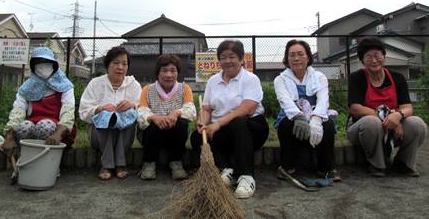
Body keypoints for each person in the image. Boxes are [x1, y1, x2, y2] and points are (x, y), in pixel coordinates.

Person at [190, 40, 269, 199]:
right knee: (196, 136)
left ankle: (247, 176)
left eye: (232, 56)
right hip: (224, 131)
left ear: (241, 59)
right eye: (223, 57)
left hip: (251, 129)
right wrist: (203, 122)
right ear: (219, 60)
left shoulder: (250, 79)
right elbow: (207, 109)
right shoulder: (213, 81)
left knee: (238, 121)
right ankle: (226, 169)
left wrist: (217, 123)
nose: (227, 61)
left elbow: (247, 108)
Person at [347, 37, 427, 177]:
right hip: (363, 131)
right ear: (362, 61)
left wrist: (398, 116)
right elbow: (355, 108)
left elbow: (407, 107)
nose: (373, 60)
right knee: (371, 122)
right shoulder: (357, 77)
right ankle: (377, 164)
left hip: (393, 129)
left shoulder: (397, 78)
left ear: (384, 57)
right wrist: (387, 118)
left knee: (417, 124)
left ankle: (404, 163)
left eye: (377, 55)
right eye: (368, 57)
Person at [274, 39, 340, 184]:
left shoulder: (319, 77)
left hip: (316, 114)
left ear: (308, 57)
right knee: (286, 125)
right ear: (287, 59)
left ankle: (326, 168)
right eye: (292, 55)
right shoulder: (280, 79)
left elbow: (323, 101)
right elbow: (285, 102)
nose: (296, 58)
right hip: (292, 116)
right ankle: (287, 166)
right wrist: (299, 117)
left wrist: (316, 120)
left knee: (327, 125)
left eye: (300, 54)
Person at [79, 46, 141, 181]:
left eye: (124, 64)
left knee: (130, 114)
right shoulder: (95, 84)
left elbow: (142, 110)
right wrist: (100, 109)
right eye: (116, 63)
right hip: (98, 135)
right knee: (106, 117)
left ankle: (119, 164)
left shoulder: (134, 85)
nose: (120, 67)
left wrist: (133, 105)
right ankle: (107, 165)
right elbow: (83, 112)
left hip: (124, 136)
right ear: (108, 65)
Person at [1, 47, 76, 159]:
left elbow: (68, 112)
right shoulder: (26, 88)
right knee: (24, 127)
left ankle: (49, 162)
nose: (43, 65)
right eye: (39, 63)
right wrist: (9, 136)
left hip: (59, 131)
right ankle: (23, 160)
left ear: (53, 65)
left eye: (47, 62)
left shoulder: (65, 86)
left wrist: (58, 133)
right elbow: (18, 111)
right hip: (33, 126)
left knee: (45, 125)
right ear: (33, 66)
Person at [137, 54, 196, 180]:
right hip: (153, 136)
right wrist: (154, 118)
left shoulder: (184, 88)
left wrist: (176, 114)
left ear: (177, 73)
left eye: (173, 71)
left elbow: (190, 110)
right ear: (157, 73)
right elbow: (141, 112)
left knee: (182, 123)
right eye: (164, 71)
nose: (169, 75)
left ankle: (176, 163)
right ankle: (149, 163)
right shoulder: (147, 89)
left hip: (174, 135)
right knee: (149, 124)